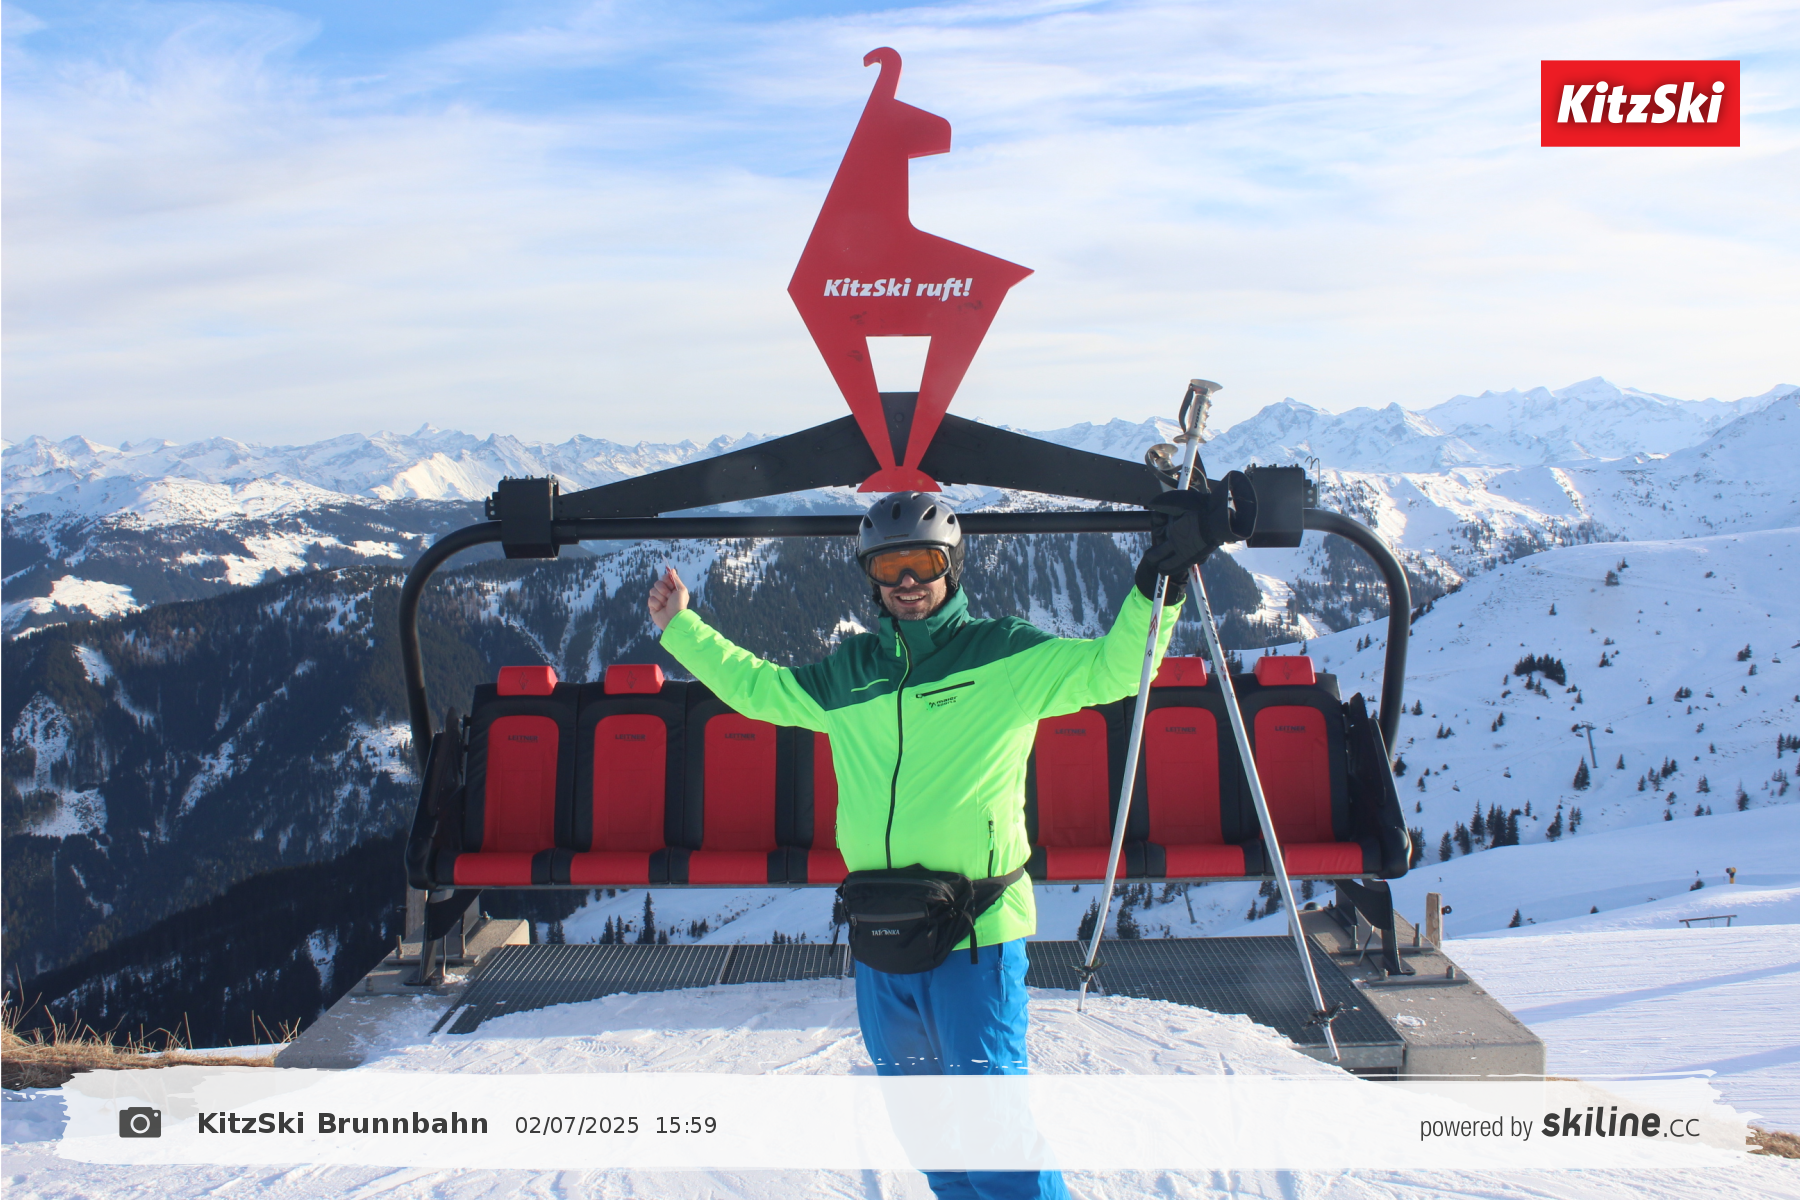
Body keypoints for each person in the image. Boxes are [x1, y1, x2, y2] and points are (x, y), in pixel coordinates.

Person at [647, 490, 1224, 1200]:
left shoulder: (1001, 654)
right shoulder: (851, 671)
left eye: (922, 562)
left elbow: (1113, 669)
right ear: (872, 578)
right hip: (882, 933)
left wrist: (1158, 584)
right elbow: (762, 690)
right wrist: (681, 629)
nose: (907, 581)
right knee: (926, 1131)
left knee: (994, 1137)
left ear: (951, 565)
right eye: (888, 567)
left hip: (975, 934)